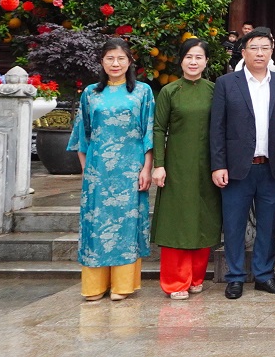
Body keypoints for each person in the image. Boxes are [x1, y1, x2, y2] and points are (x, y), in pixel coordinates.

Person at [69, 38, 155, 302]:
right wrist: (87, 171)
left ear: (129, 62)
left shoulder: (142, 92)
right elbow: (82, 135)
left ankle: (122, 285)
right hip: (98, 172)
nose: (115, 64)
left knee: (126, 226)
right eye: (110, 58)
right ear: (102, 62)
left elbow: (149, 133)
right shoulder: (90, 93)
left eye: (120, 58)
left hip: (130, 170)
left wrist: (147, 169)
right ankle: (94, 286)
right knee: (96, 225)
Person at [210, 28, 275, 299]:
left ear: (272, 52)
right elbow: (217, 127)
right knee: (234, 224)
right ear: (243, 52)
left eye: (265, 48)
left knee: (268, 225)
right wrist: (218, 165)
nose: (260, 53)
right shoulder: (226, 83)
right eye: (254, 48)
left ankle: (264, 275)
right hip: (236, 168)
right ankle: (235, 276)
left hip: (271, 167)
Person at [151, 39, 221, 301]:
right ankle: (175, 281)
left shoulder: (215, 90)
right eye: (189, 57)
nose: (193, 62)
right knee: (177, 220)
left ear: (206, 61)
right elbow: (159, 128)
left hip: (208, 165)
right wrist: (159, 164)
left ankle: (196, 277)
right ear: (180, 60)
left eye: (199, 57)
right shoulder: (169, 91)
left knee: (203, 217)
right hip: (177, 164)